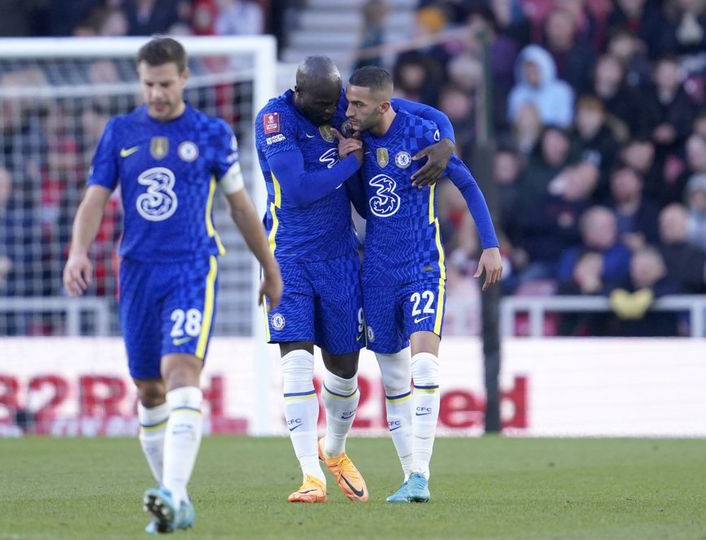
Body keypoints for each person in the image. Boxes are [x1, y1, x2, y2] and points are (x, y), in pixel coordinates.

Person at [63, 37, 282, 535]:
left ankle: (175, 493)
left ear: (184, 78)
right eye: (148, 84)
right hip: (136, 272)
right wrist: (78, 250)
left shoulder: (210, 133)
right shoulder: (120, 132)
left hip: (190, 267)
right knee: (147, 389)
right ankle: (174, 501)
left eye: (165, 84)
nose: (157, 94)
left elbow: (241, 207)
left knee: (182, 369)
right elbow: (95, 198)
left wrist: (269, 267)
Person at [254, 56, 456, 504]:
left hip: (342, 258)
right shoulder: (274, 119)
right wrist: (352, 163)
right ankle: (311, 477)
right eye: (326, 104)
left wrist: (448, 143)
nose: (335, 112)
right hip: (289, 256)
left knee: (344, 369)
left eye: (339, 102)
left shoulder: (346, 107)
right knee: (296, 364)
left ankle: (335, 450)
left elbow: (429, 115)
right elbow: (301, 190)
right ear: (300, 94)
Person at [342, 66, 502, 503]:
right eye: (348, 102)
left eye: (358, 104)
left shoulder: (420, 132)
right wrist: (349, 161)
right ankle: (410, 475)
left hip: (421, 265)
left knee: (425, 364)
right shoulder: (356, 135)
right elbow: (364, 204)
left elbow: (468, 184)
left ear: (384, 105)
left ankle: (422, 477)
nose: (349, 110)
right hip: (375, 270)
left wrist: (490, 245)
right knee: (394, 379)